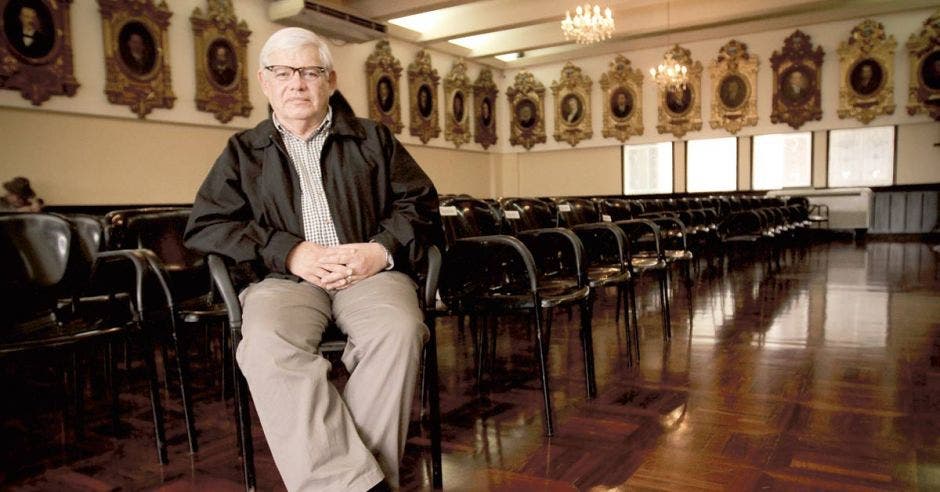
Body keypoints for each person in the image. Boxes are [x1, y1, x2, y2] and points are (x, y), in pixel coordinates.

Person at [184, 27, 440, 491]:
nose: (296, 83)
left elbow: (420, 205)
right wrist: (289, 251)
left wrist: (378, 249)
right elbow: (207, 226)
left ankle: (346, 483)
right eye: (283, 72)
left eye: (309, 71)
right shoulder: (244, 151)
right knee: (263, 344)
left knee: (399, 331)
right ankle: (362, 485)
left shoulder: (372, 139)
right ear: (265, 82)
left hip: (368, 271)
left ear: (330, 80)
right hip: (283, 279)